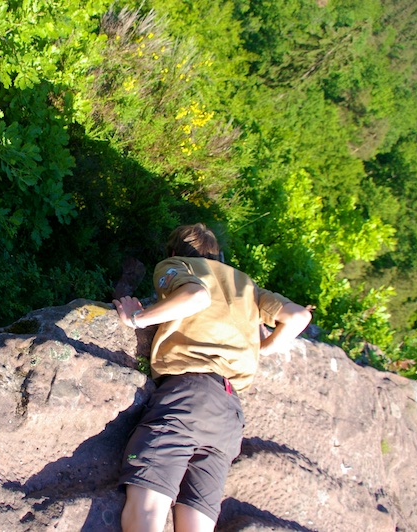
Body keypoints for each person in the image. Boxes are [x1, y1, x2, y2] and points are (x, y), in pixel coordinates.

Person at [113, 223, 311, 532]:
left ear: (176, 251)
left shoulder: (177, 265)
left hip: (189, 394)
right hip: (230, 412)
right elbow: (299, 316)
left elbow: (196, 295)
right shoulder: (247, 285)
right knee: (197, 521)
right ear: (217, 255)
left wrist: (136, 319)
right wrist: (265, 347)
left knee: (148, 505)